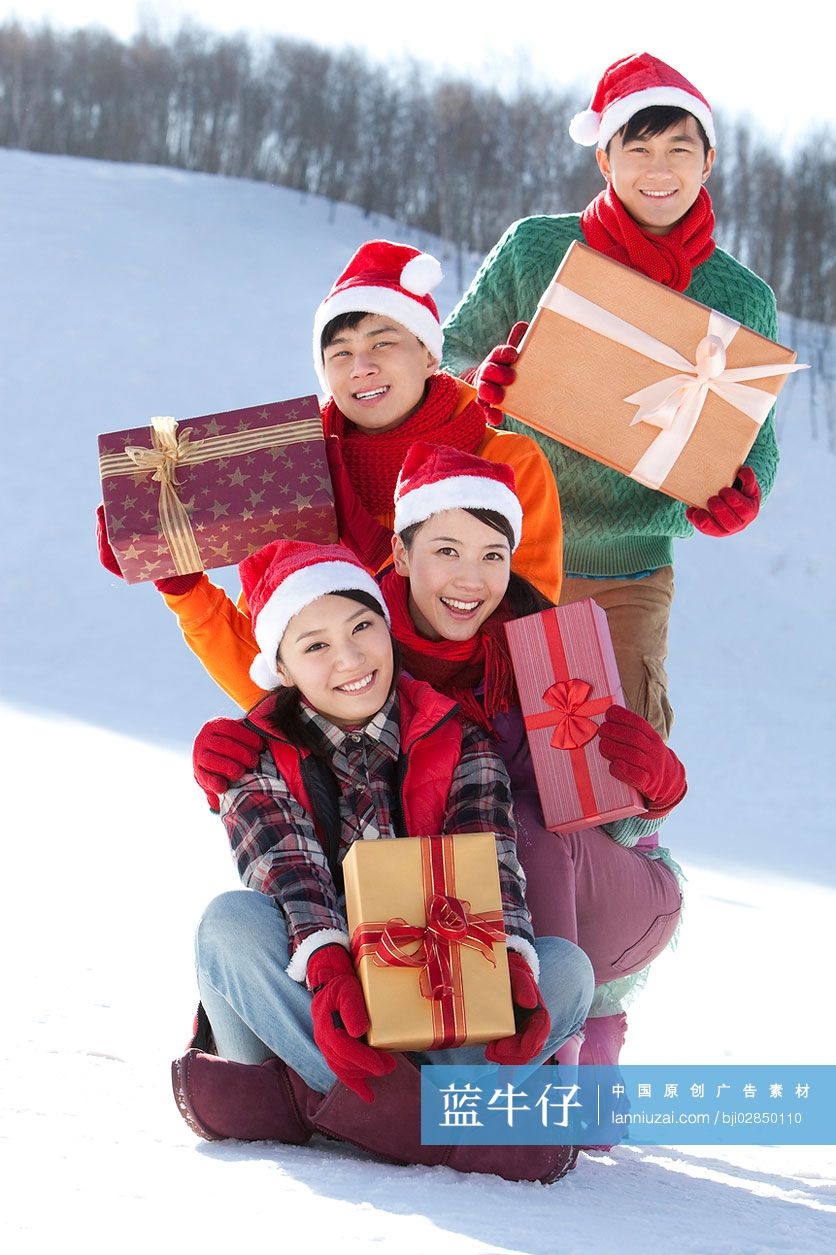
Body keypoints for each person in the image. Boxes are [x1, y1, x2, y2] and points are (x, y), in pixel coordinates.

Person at [194, 446, 686, 1071]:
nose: (470, 579)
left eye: (492, 556)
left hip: (550, 904)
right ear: (400, 556)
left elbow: (531, 836)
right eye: (446, 551)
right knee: (235, 923)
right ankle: (378, 1100)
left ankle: (543, 1071)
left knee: (540, 889)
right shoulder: (352, 647)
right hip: (372, 930)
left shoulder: (538, 656)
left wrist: (650, 797)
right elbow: (290, 840)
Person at [180, 537, 594, 1182]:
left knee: (565, 967)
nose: (348, 658)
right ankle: (438, 1128)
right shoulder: (253, 752)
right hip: (316, 1008)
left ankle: (349, 1116)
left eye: (362, 627)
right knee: (229, 924)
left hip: (435, 1000)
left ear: (387, 629)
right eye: (314, 645)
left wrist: (510, 958)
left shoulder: (456, 736)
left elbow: (490, 867)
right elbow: (291, 877)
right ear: (282, 668)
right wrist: (325, 967)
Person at [441, 52, 781, 739]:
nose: (660, 169)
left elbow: (757, 442)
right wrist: (486, 385)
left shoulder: (741, 297)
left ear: (708, 162)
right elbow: (448, 361)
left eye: (679, 149)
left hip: (632, 570)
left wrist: (741, 493)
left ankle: (638, 851)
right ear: (605, 159)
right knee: (507, 763)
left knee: (620, 773)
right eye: (639, 148)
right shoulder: (537, 251)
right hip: (514, 557)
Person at [96, 239, 564, 707]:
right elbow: (267, 677)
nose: (362, 367)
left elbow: (523, 644)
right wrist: (183, 587)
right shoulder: (293, 479)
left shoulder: (506, 464)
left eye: (383, 342)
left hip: (484, 743)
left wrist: (377, 561)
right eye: (339, 354)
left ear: (428, 355)